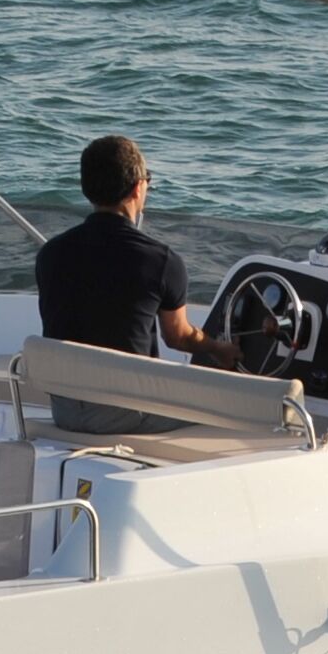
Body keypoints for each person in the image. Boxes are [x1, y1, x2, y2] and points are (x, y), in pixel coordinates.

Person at [32, 135, 213, 437]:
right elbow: (179, 337)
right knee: (225, 407)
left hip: (65, 411)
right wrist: (219, 348)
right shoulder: (162, 261)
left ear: (86, 189)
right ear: (138, 188)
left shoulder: (50, 254)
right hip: (130, 413)